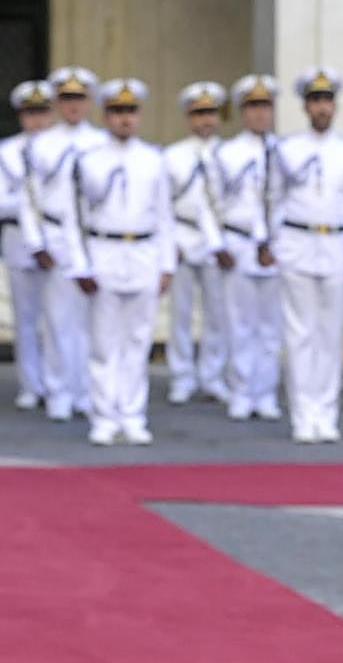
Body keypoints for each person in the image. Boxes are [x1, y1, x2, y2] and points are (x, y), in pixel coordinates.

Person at [66, 79, 175, 445]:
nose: (124, 119)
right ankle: (104, 415)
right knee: (103, 342)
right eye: (116, 112)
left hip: (143, 253)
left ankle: (132, 414)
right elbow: (73, 217)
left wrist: (166, 264)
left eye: (130, 111)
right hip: (104, 251)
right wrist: (80, 265)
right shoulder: (89, 160)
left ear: (139, 115)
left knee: (137, 340)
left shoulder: (154, 159)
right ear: (106, 115)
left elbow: (164, 216)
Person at [262, 67, 343, 443]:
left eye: (326, 101)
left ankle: (326, 412)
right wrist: (272, 244)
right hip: (297, 243)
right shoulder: (287, 149)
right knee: (300, 333)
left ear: (334, 107)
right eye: (315, 101)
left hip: (335, 245)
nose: (322, 108)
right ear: (306, 107)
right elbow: (273, 199)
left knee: (329, 333)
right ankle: (304, 413)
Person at [20, 66, 107, 421]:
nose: (72, 106)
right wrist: (36, 241)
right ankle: (58, 391)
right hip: (56, 235)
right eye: (66, 99)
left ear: (89, 103)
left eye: (79, 99)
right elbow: (30, 198)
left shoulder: (100, 143)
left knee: (92, 321)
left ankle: (87, 392)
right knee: (58, 320)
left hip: (94, 239)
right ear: (56, 102)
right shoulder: (41, 144)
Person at [211, 74, 283, 421]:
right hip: (237, 241)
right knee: (239, 323)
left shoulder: (282, 151)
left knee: (270, 327)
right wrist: (217, 243)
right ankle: (240, 389)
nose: (259, 113)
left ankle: (265, 391)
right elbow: (209, 202)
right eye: (252, 106)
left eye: (265, 106)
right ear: (242, 112)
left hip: (274, 247)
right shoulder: (226, 152)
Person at [164, 82, 231, 405]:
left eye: (210, 113)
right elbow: (163, 204)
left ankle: (212, 375)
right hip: (183, 234)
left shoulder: (227, 154)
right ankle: (181, 375)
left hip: (217, 239)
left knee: (217, 312)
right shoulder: (173, 155)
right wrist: (169, 242)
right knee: (181, 312)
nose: (205, 120)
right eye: (198, 113)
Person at [0, 80, 54, 410]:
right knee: (27, 316)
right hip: (19, 237)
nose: (36, 120)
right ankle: (31, 383)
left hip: (58, 237)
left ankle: (59, 381)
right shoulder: (7, 151)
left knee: (59, 316)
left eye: (42, 112)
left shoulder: (64, 149)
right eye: (30, 113)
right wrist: (29, 204)